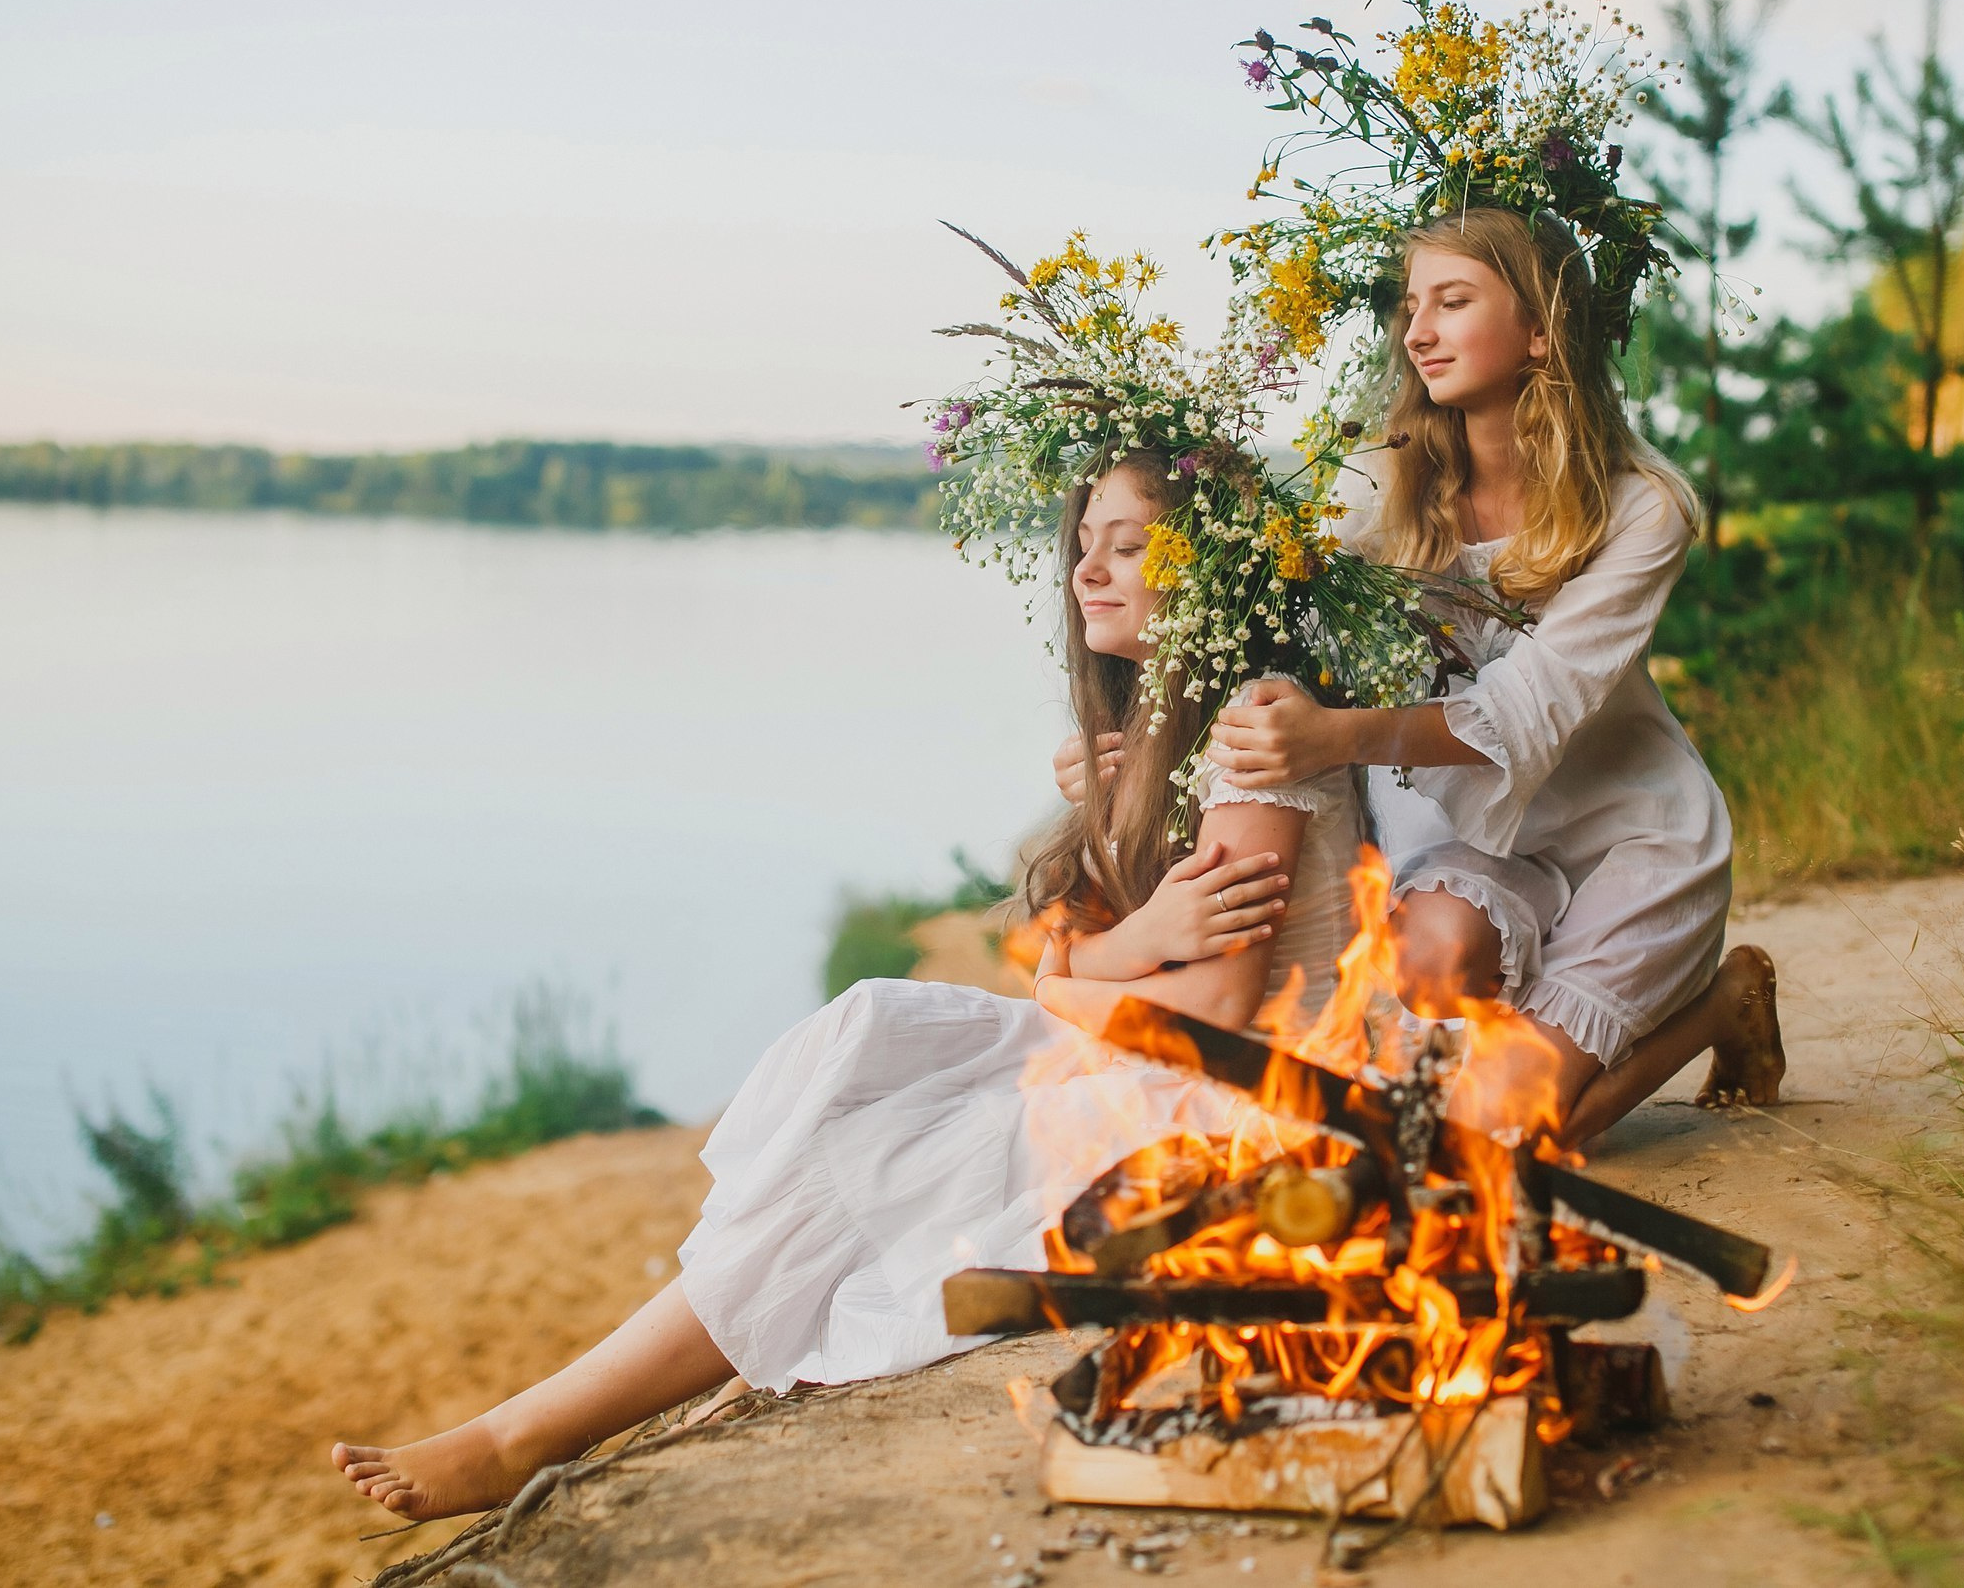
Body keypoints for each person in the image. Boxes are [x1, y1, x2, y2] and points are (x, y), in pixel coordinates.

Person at [332, 448, 1364, 1520]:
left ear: (1212, 570)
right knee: (875, 1043)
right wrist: (1104, 951)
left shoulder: (1252, 731)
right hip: (1158, 1056)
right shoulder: (1154, 732)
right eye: (1083, 544)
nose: (1087, 571)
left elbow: (1215, 1012)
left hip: (1254, 1096)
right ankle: (561, 1413)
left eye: (1130, 546)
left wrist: (1066, 986)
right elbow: (1086, 946)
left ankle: (529, 1431)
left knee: (909, 1145)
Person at [1061, 208, 1785, 1151]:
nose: (1418, 332)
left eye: (1453, 301)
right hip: (1468, 837)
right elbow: (1258, 617)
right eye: (1412, 306)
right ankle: (1533, 1048)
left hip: (1622, 833)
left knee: (1500, 1139)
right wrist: (1143, 748)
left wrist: (1340, 737)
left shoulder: (1640, 507)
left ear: (1541, 329)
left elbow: (1526, 713)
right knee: (1434, 974)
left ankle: (1723, 1004)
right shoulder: (1380, 481)